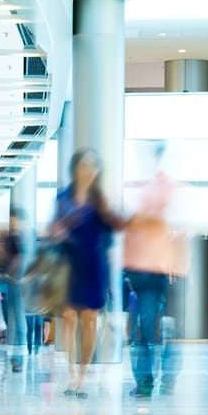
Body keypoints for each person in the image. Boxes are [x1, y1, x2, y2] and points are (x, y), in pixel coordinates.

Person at [52, 149, 125, 398]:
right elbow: (55, 228)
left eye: (93, 166)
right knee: (69, 317)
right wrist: (57, 232)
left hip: (94, 264)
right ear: (75, 169)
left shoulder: (99, 200)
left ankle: (82, 376)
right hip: (69, 263)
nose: (88, 170)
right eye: (84, 165)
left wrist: (109, 211)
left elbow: (113, 229)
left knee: (89, 319)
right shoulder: (63, 197)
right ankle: (71, 373)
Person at [124, 144, 177, 397]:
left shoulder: (157, 190)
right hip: (151, 270)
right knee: (149, 329)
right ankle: (156, 380)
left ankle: (147, 382)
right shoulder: (152, 190)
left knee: (145, 331)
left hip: (151, 269)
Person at [1, 210, 28, 373]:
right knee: (10, 319)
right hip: (9, 283)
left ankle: (18, 358)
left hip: (18, 283)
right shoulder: (9, 240)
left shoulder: (24, 240)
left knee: (19, 322)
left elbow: (21, 262)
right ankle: (15, 358)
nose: (13, 223)